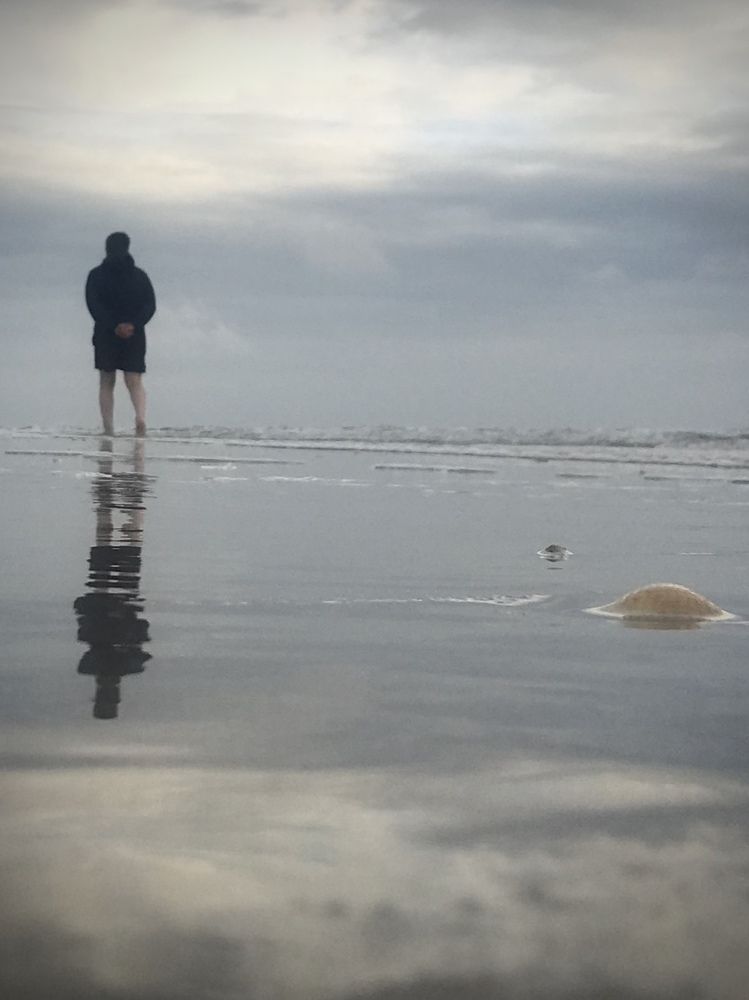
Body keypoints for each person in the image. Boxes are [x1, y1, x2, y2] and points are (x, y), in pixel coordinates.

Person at [85, 232, 156, 436]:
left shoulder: (96, 275)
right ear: (127, 248)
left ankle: (108, 428)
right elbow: (150, 305)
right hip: (135, 334)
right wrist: (134, 325)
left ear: (107, 248)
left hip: (106, 333)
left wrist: (113, 326)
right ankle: (141, 418)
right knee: (134, 380)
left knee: (107, 381)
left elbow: (93, 305)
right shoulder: (140, 276)